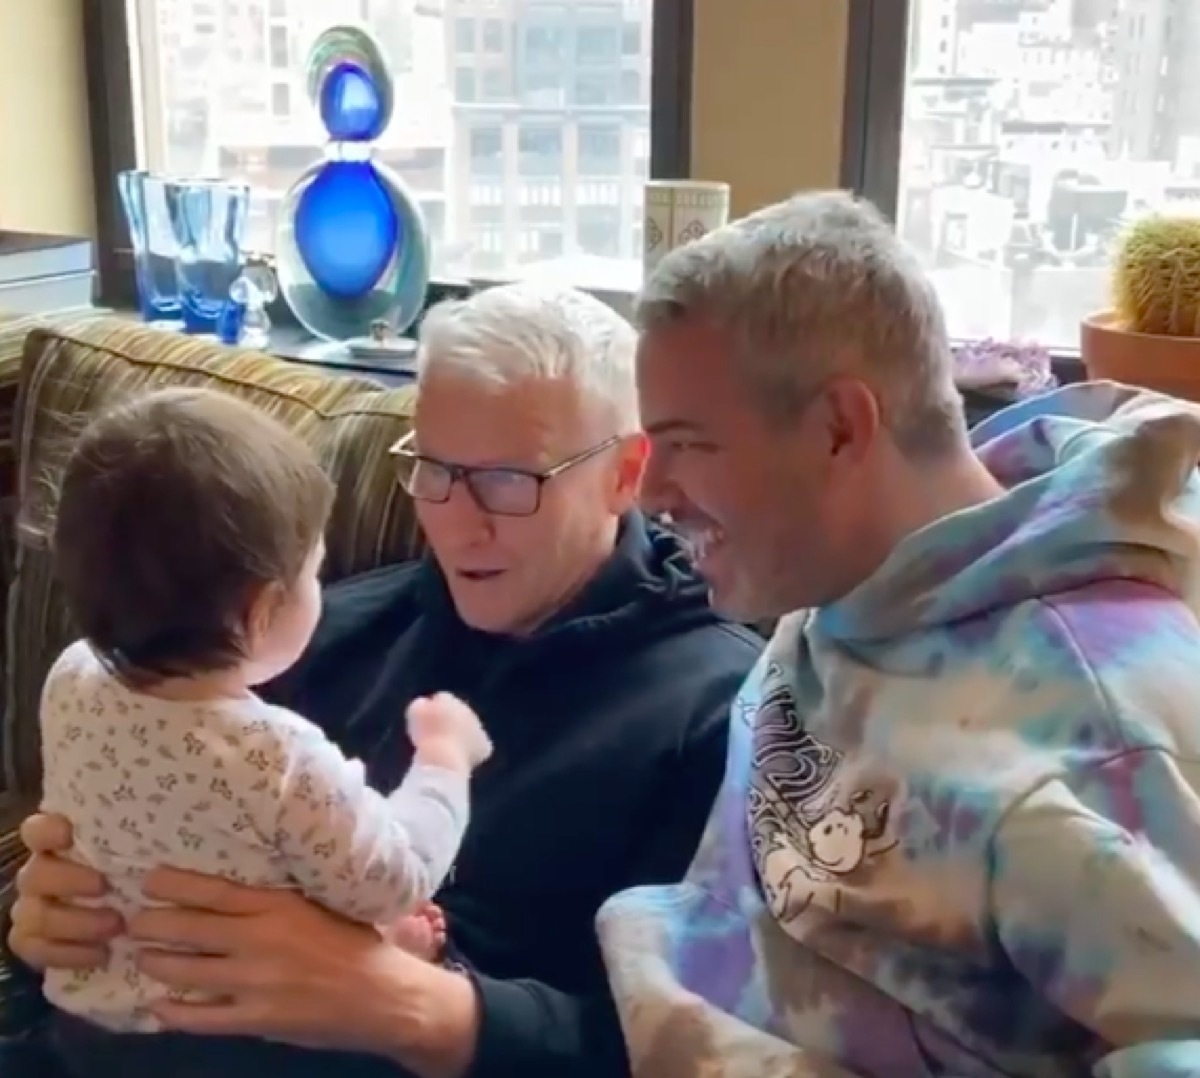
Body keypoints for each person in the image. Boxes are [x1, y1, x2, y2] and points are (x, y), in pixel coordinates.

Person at [7, 283, 763, 1077]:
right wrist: (47, 920)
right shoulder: (304, 633)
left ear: (625, 473)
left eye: (509, 481)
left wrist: (417, 1009)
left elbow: (697, 1049)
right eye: (435, 469)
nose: (457, 523)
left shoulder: (720, 715)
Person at [596, 190, 1200, 1076]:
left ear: (840, 428)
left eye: (689, 444)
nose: (653, 498)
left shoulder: (1090, 744)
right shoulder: (848, 579)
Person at [39, 387, 492, 1078]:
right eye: (314, 572)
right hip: (237, 1046)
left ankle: (381, 952)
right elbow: (394, 876)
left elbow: (186, 841)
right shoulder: (274, 754)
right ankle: (383, 953)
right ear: (257, 613)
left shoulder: (70, 680)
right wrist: (443, 759)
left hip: (86, 1025)